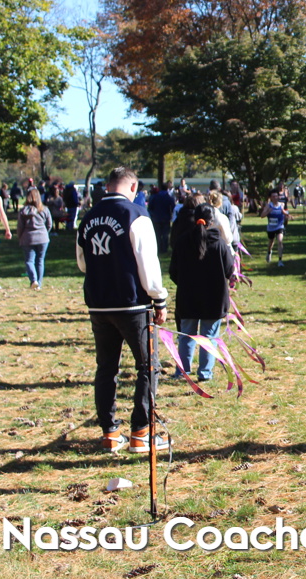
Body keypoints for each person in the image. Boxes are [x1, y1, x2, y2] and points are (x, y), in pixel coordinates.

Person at [76, 167, 171, 454]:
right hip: (132, 304)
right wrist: (159, 298)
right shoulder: (136, 214)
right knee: (148, 366)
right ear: (133, 188)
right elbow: (148, 261)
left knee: (106, 368)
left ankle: (110, 433)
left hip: (99, 303)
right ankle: (141, 431)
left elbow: (82, 263)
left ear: (108, 186)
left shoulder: (88, 217)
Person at [169, 204, 235, 382]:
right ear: (212, 221)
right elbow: (229, 270)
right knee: (209, 336)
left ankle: (183, 370)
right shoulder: (220, 244)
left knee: (186, 336)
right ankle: (205, 372)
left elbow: (173, 271)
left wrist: (185, 284)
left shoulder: (182, 242)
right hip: (213, 299)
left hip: (188, 298)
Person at [17, 188, 52, 290]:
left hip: (28, 238)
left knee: (29, 261)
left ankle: (33, 280)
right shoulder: (44, 209)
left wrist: (20, 236)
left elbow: (20, 226)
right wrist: (45, 233)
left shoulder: (23, 211)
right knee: (40, 261)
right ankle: (39, 284)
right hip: (43, 238)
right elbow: (49, 225)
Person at [261, 189, 290, 266]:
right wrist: (268, 211)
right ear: (270, 198)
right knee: (271, 242)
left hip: (280, 226)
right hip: (271, 227)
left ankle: (280, 260)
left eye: (276, 196)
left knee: (280, 241)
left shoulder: (282, 205)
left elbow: (286, 212)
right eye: (273, 196)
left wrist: (287, 215)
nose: (275, 198)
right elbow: (262, 215)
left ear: (278, 197)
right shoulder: (268, 205)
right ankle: (269, 252)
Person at [147, 181, 175, 253]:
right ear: (167, 189)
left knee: (157, 234)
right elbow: (173, 207)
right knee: (165, 234)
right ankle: (164, 248)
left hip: (156, 217)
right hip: (166, 217)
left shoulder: (155, 196)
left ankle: (158, 248)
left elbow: (150, 207)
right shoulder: (169, 197)